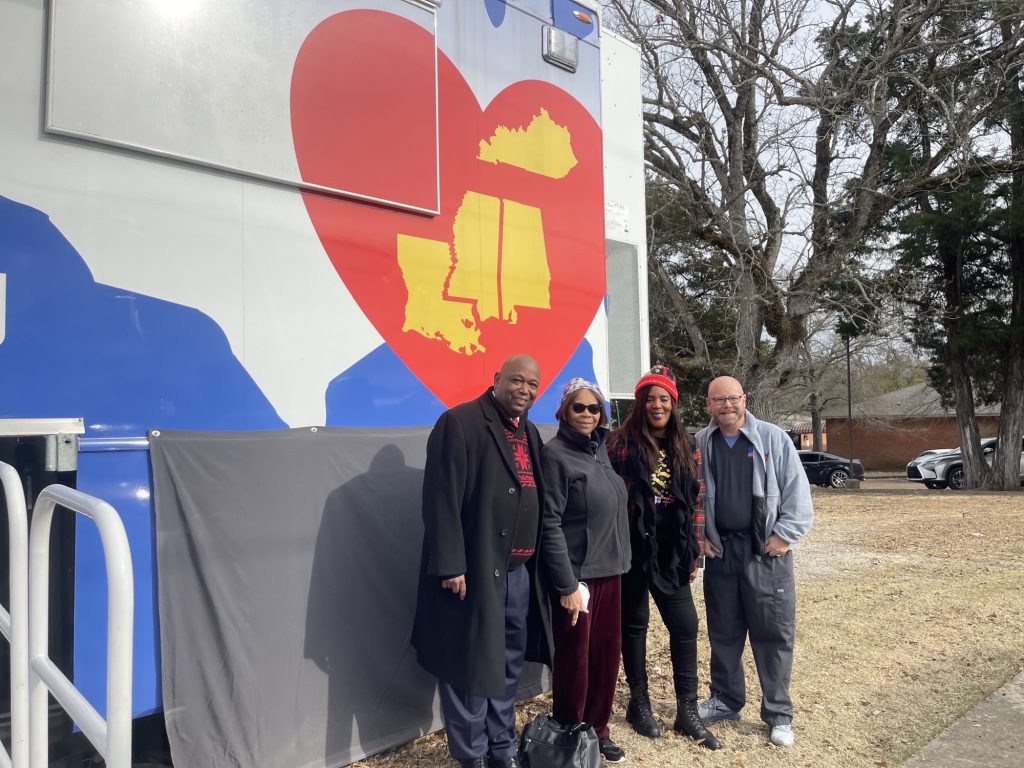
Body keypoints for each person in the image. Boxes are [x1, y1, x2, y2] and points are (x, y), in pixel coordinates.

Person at [412, 355, 553, 768]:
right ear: (496, 380)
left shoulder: (529, 433)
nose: (524, 389)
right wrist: (451, 565)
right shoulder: (460, 423)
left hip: (518, 574)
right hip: (474, 572)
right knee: (470, 667)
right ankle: (472, 754)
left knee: (506, 665)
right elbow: (441, 500)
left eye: (532, 383)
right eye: (516, 380)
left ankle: (501, 748)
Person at [694, 376, 814, 748]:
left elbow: (797, 492)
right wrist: (699, 537)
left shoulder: (773, 439)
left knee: (772, 634)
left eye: (733, 398)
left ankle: (778, 714)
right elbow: (690, 496)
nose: (727, 405)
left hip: (764, 553)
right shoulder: (701, 443)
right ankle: (727, 700)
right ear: (708, 404)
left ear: (745, 399)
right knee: (724, 632)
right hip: (722, 552)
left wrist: (785, 534)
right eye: (719, 400)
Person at [607, 365, 721, 750]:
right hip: (632, 550)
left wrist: (694, 554)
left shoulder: (687, 445)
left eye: (664, 399)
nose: (657, 405)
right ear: (640, 403)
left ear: (673, 404)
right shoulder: (618, 442)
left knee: (685, 626)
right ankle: (639, 704)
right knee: (634, 626)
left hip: (671, 552)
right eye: (649, 398)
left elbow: (698, 502)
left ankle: (686, 710)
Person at [539, 378, 631, 763]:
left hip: (612, 571)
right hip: (579, 578)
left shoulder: (600, 452)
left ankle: (598, 729)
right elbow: (550, 523)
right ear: (564, 411)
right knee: (576, 661)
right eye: (579, 407)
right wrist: (566, 583)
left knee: (606, 657)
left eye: (595, 408)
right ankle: (570, 731)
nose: (588, 415)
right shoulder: (556, 456)